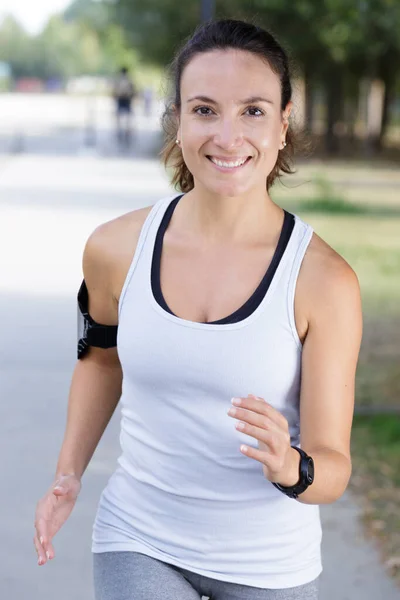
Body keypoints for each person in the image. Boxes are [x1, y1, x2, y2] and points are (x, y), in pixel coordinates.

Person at [33, 19, 363, 600]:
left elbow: (333, 465)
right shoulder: (113, 249)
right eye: (205, 110)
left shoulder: (323, 282)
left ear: (284, 125)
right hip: (139, 537)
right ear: (179, 121)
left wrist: (293, 466)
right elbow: (100, 361)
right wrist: (68, 472)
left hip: (268, 564)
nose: (228, 136)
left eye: (253, 111)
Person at [112, 66, 136, 144]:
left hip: (120, 99)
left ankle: (120, 131)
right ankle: (127, 132)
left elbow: (114, 91)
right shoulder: (130, 80)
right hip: (127, 100)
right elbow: (133, 91)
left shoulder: (118, 80)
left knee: (119, 117)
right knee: (128, 118)